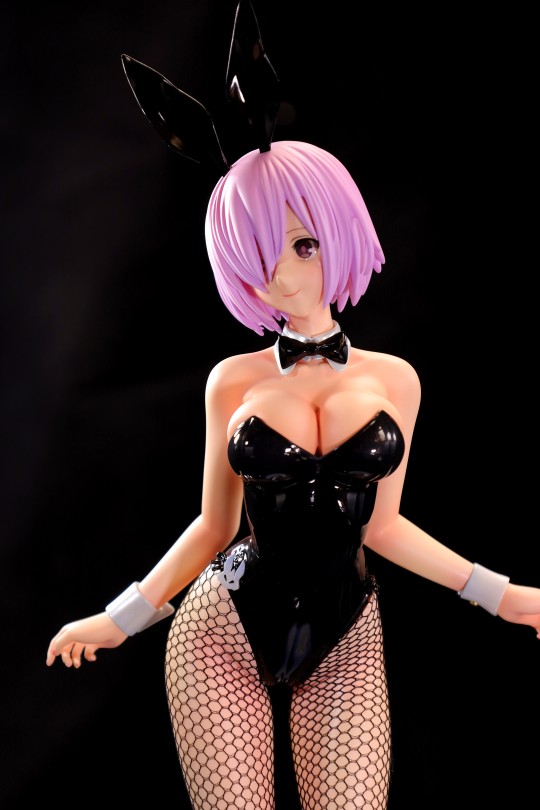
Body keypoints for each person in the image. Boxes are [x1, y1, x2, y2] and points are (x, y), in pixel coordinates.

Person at [46, 4, 540, 810]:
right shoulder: (231, 382)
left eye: (303, 244)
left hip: (346, 634)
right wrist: (121, 616)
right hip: (220, 632)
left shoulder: (397, 381)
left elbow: (382, 527)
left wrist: (500, 592)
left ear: (337, 235)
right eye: (258, 254)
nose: (282, 273)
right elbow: (214, 527)